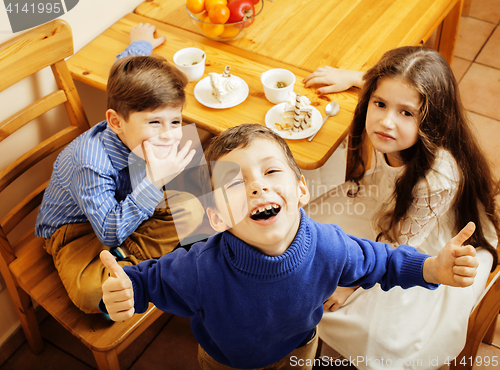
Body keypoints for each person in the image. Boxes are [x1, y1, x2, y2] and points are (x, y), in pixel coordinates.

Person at [100, 123, 479, 370]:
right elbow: (145, 280)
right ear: (215, 218)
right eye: (233, 182)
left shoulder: (329, 246)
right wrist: (121, 291)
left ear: (301, 190)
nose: (255, 186)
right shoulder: (199, 267)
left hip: (301, 351)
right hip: (225, 363)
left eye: (271, 170)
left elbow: (382, 261)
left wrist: (430, 268)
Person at [302, 46, 500, 369]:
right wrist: (352, 78)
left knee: (377, 335)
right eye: (379, 104)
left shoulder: (438, 177)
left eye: (406, 113)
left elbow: (400, 245)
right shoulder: (396, 126)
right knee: (307, 236)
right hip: (389, 200)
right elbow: (392, 87)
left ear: (431, 121)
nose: (385, 121)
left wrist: (349, 285)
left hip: (427, 237)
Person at [35, 23, 205, 314]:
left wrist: (140, 45)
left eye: (175, 121)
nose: (170, 134)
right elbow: (108, 234)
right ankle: (134, 265)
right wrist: (154, 180)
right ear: (115, 122)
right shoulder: (90, 162)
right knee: (93, 295)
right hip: (77, 232)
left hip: (124, 206)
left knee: (195, 209)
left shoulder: (136, 129)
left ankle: (128, 264)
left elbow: (122, 66)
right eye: (155, 123)